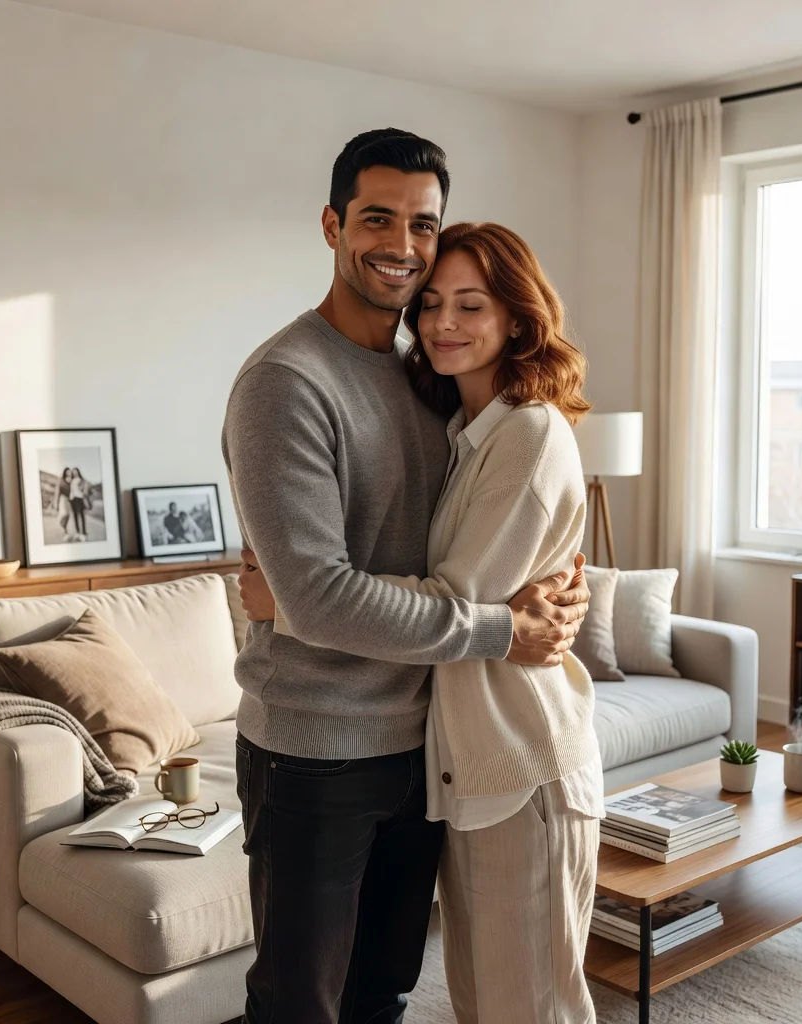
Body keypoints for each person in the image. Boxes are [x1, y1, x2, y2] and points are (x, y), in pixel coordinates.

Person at [221, 128, 591, 1024]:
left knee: (384, 993)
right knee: (298, 1005)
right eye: (377, 217)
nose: (401, 245)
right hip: (315, 752)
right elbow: (322, 595)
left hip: (422, 745)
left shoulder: (427, 383)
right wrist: (504, 624)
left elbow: (485, 530)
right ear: (333, 224)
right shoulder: (285, 382)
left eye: (421, 224)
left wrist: (559, 592)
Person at [69, 467, 89, 541]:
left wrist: (82, 493)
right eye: (73, 472)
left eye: (75, 471)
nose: (74, 473)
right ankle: (77, 532)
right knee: (75, 516)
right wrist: (70, 498)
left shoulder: (81, 480)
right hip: (73, 499)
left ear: (78, 472)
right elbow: (71, 491)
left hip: (79, 498)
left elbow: (85, 490)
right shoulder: (72, 481)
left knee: (82, 515)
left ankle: (83, 533)